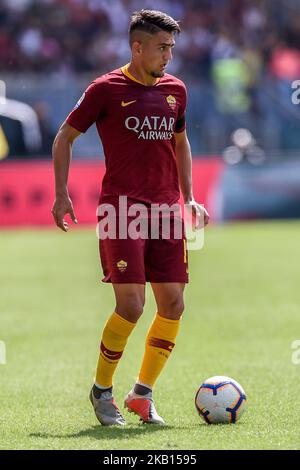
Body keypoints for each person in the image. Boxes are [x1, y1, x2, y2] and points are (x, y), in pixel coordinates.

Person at [51, 9, 209, 426]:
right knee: (132, 306)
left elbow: (181, 141)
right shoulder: (105, 89)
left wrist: (189, 198)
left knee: (174, 303)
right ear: (137, 48)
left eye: (172, 48)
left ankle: (142, 393)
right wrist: (61, 193)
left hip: (166, 211)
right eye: (161, 48)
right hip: (122, 210)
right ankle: (102, 390)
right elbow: (64, 136)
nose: (168, 56)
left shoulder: (176, 89)